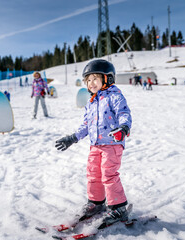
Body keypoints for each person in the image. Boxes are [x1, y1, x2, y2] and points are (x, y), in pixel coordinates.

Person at [55, 59, 132, 226]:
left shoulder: (115, 96)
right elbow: (86, 125)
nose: (91, 83)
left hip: (112, 144)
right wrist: (73, 137)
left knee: (108, 174)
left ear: (108, 79)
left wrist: (123, 128)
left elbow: (124, 114)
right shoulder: (91, 102)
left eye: (95, 79)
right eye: (88, 80)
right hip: (95, 145)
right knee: (93, 173)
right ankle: (96, 203)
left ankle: (118, 207)